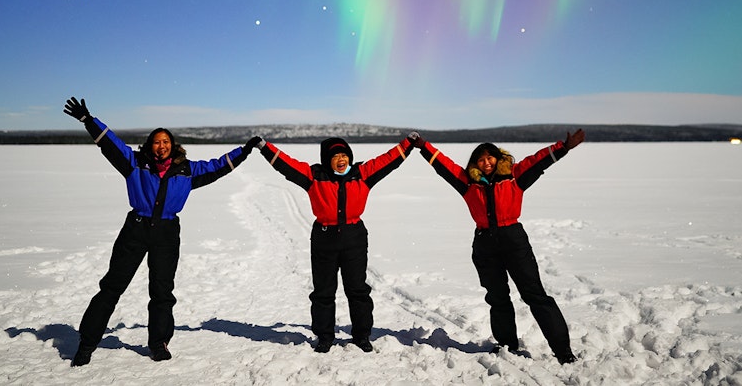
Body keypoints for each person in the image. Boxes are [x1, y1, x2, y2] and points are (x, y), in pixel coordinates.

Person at [63, 96, 261, 366]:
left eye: (166, 141)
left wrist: (245, 150)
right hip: (136, 229)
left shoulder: (187, 171)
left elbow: (217, 165)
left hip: (166, 234)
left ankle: (158, 343)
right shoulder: (134, 163)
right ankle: (86, 344)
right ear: (149, 145)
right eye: (156, 141)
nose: (161, 146)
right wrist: (88, 120)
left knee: (162, 291)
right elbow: (110, 143)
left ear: (173, 145)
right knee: (112, 286)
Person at [410, 129, 585, 364]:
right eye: (481, 160)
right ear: (475, 164)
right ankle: (507, 346)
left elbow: (538, 161)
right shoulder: (468, 184)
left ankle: (564, 352)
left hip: (513, 239)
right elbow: (445, 166)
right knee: (497, 297)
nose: (486, 163)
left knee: (535, 295)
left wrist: (563, 147)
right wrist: (423, 146)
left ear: (498, 158)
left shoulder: (515, 176)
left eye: (490, 158)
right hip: (484, 244)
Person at [254, 133, 419, 353]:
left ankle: (361, 336)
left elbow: (388, 160)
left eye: (344, 155)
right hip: (324, 239)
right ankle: (324, 337)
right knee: (323, 291)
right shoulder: (314, 176)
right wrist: (264, 147)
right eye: (336, 156)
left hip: (354, 238)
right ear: (326, 159)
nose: (341, 159)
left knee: (358, 290)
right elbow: (286, 164)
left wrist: (408, 144)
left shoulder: (362, 174)